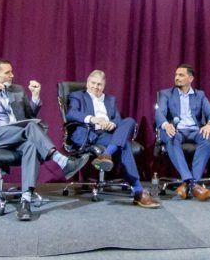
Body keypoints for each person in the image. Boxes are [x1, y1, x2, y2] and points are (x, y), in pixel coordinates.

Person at [0, 59, 90, 220]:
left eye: (11, 72)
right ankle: (62, 161)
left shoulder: (16, 90)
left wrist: (35, 98)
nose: (12, 75)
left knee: (31, 144)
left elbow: (29, 117)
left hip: (16, 136)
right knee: (31, 128)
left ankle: (25, 201)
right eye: (7, 72)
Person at [66, 70, 160, 209]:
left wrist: (113, 123)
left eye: (99, 84)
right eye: (93, 83)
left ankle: (107, 154)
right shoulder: (77, 96)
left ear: (104, 86)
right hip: (88, 133)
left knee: (129, 121)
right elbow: (71, 114)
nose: (96, 87)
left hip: (107, 134)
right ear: (87, 83)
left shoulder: (110, 99)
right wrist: (92, 119)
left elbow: (117, 118)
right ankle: (138, 190)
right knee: (125, 145)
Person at [156, 64, 210, 201]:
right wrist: (166, 125)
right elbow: (159, 112)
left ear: (190, 78)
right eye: (176, 75)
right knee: (171, 137)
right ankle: (192, 184)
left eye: (181, 75)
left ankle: (187, 185)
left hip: (195, 130)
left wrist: (209, 124)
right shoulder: (166, 94)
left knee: (208, 137)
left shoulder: (200, 95)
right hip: (176, 129)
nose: (177, 78)